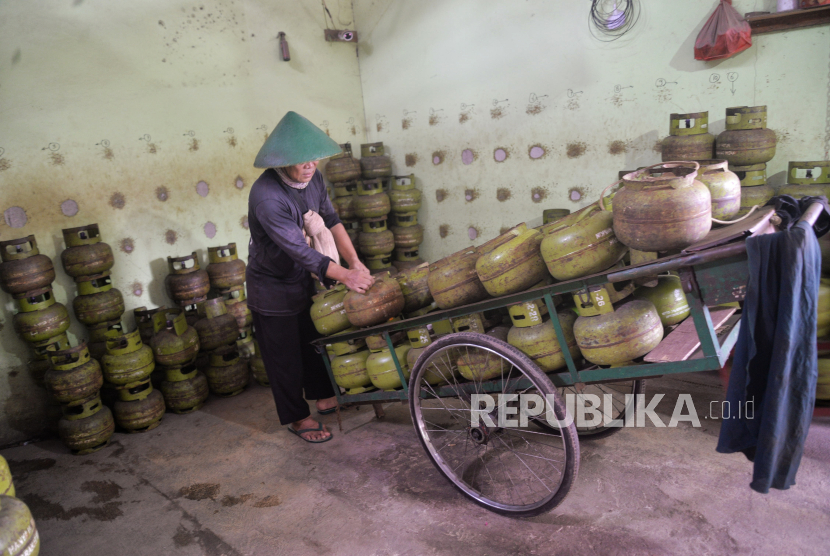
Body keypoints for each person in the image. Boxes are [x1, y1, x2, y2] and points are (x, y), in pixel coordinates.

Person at [246, 111, 374, 443]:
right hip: (272, 287)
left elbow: (331, 219)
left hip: (305, 279)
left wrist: (355, 262)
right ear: (282, 160)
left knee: (313, 342)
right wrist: (345, 276)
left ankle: (325, 396)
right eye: (301, 159)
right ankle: (298, 418)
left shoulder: (313, 179)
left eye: (313, 156)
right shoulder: (268, 197)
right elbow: (300, 251)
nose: (310, 164)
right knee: (284, 356)